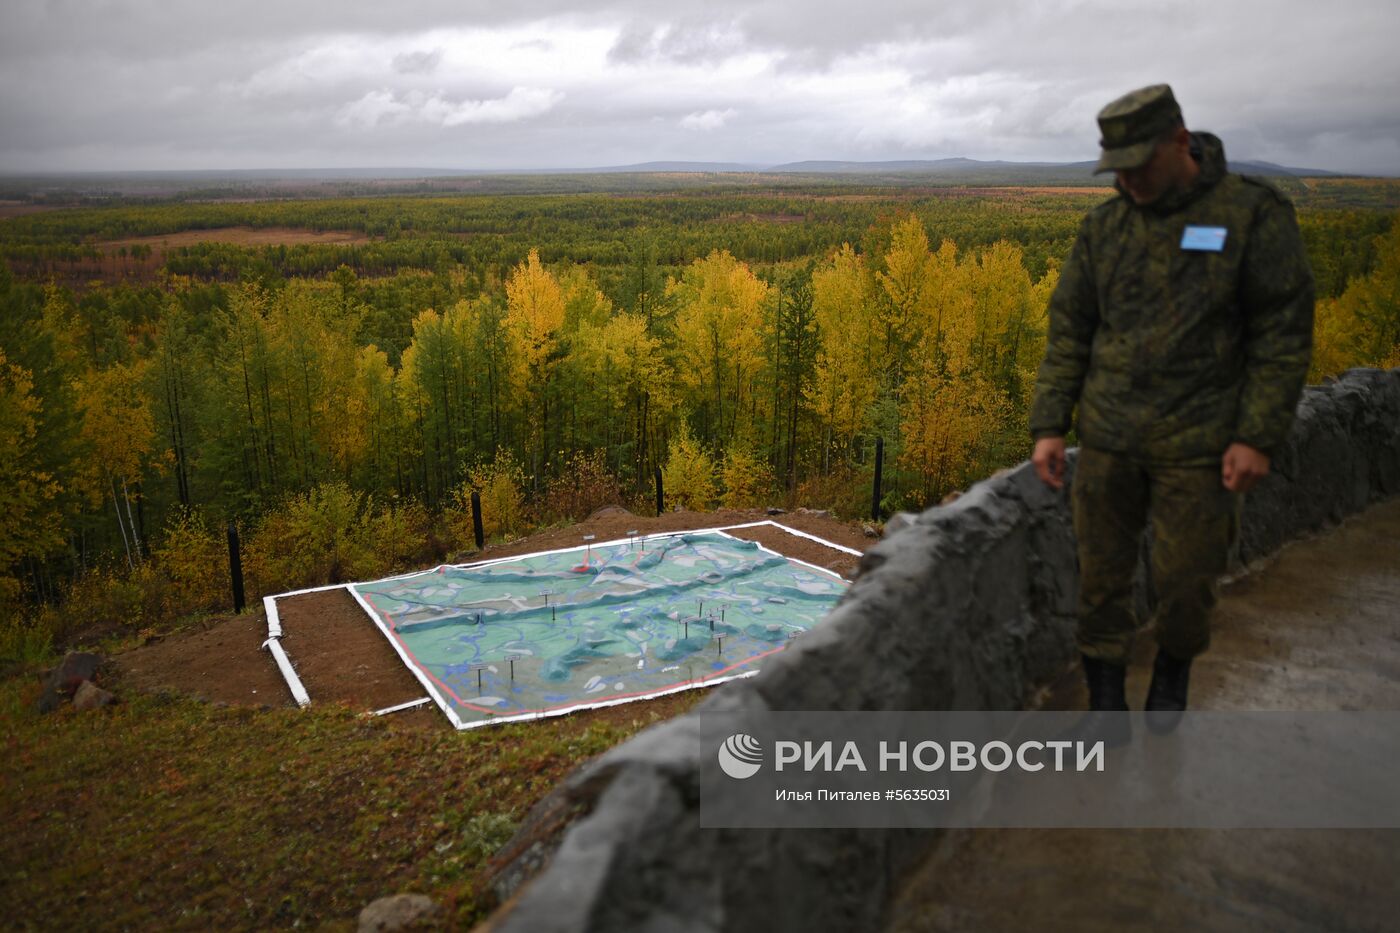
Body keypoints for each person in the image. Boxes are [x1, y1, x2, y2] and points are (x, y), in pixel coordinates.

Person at [1029, 84, 1314, 732]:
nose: (1127, 180)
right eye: (1117, 169)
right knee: (1100, 578)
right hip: (1109, 436)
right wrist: (1050, 422)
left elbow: (1282, 332)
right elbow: (1071, 326)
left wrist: (1258, 433)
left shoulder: (1250, 214)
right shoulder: (1106, 227)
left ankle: (1173, 669)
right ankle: (1105, 698)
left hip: (1202, 441)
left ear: (1179, 142)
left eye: (1139, 165)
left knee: (1187, 579)